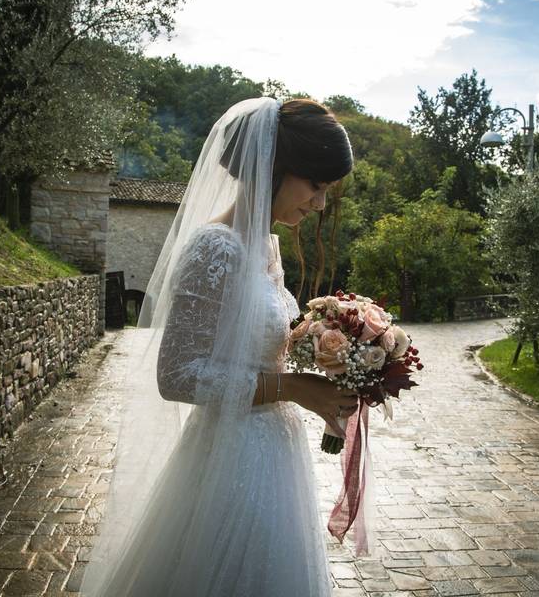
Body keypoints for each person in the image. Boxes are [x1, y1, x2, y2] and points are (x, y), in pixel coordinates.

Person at [78, 97, 371, 597]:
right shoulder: (215, 247)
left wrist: (335, 357)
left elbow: (254, 346)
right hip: (229, 460)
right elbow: (177, 376)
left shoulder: (266, 247)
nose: (320, 203)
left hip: (277, 449)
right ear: (275, 168)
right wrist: (293, 388)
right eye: (316, 187)